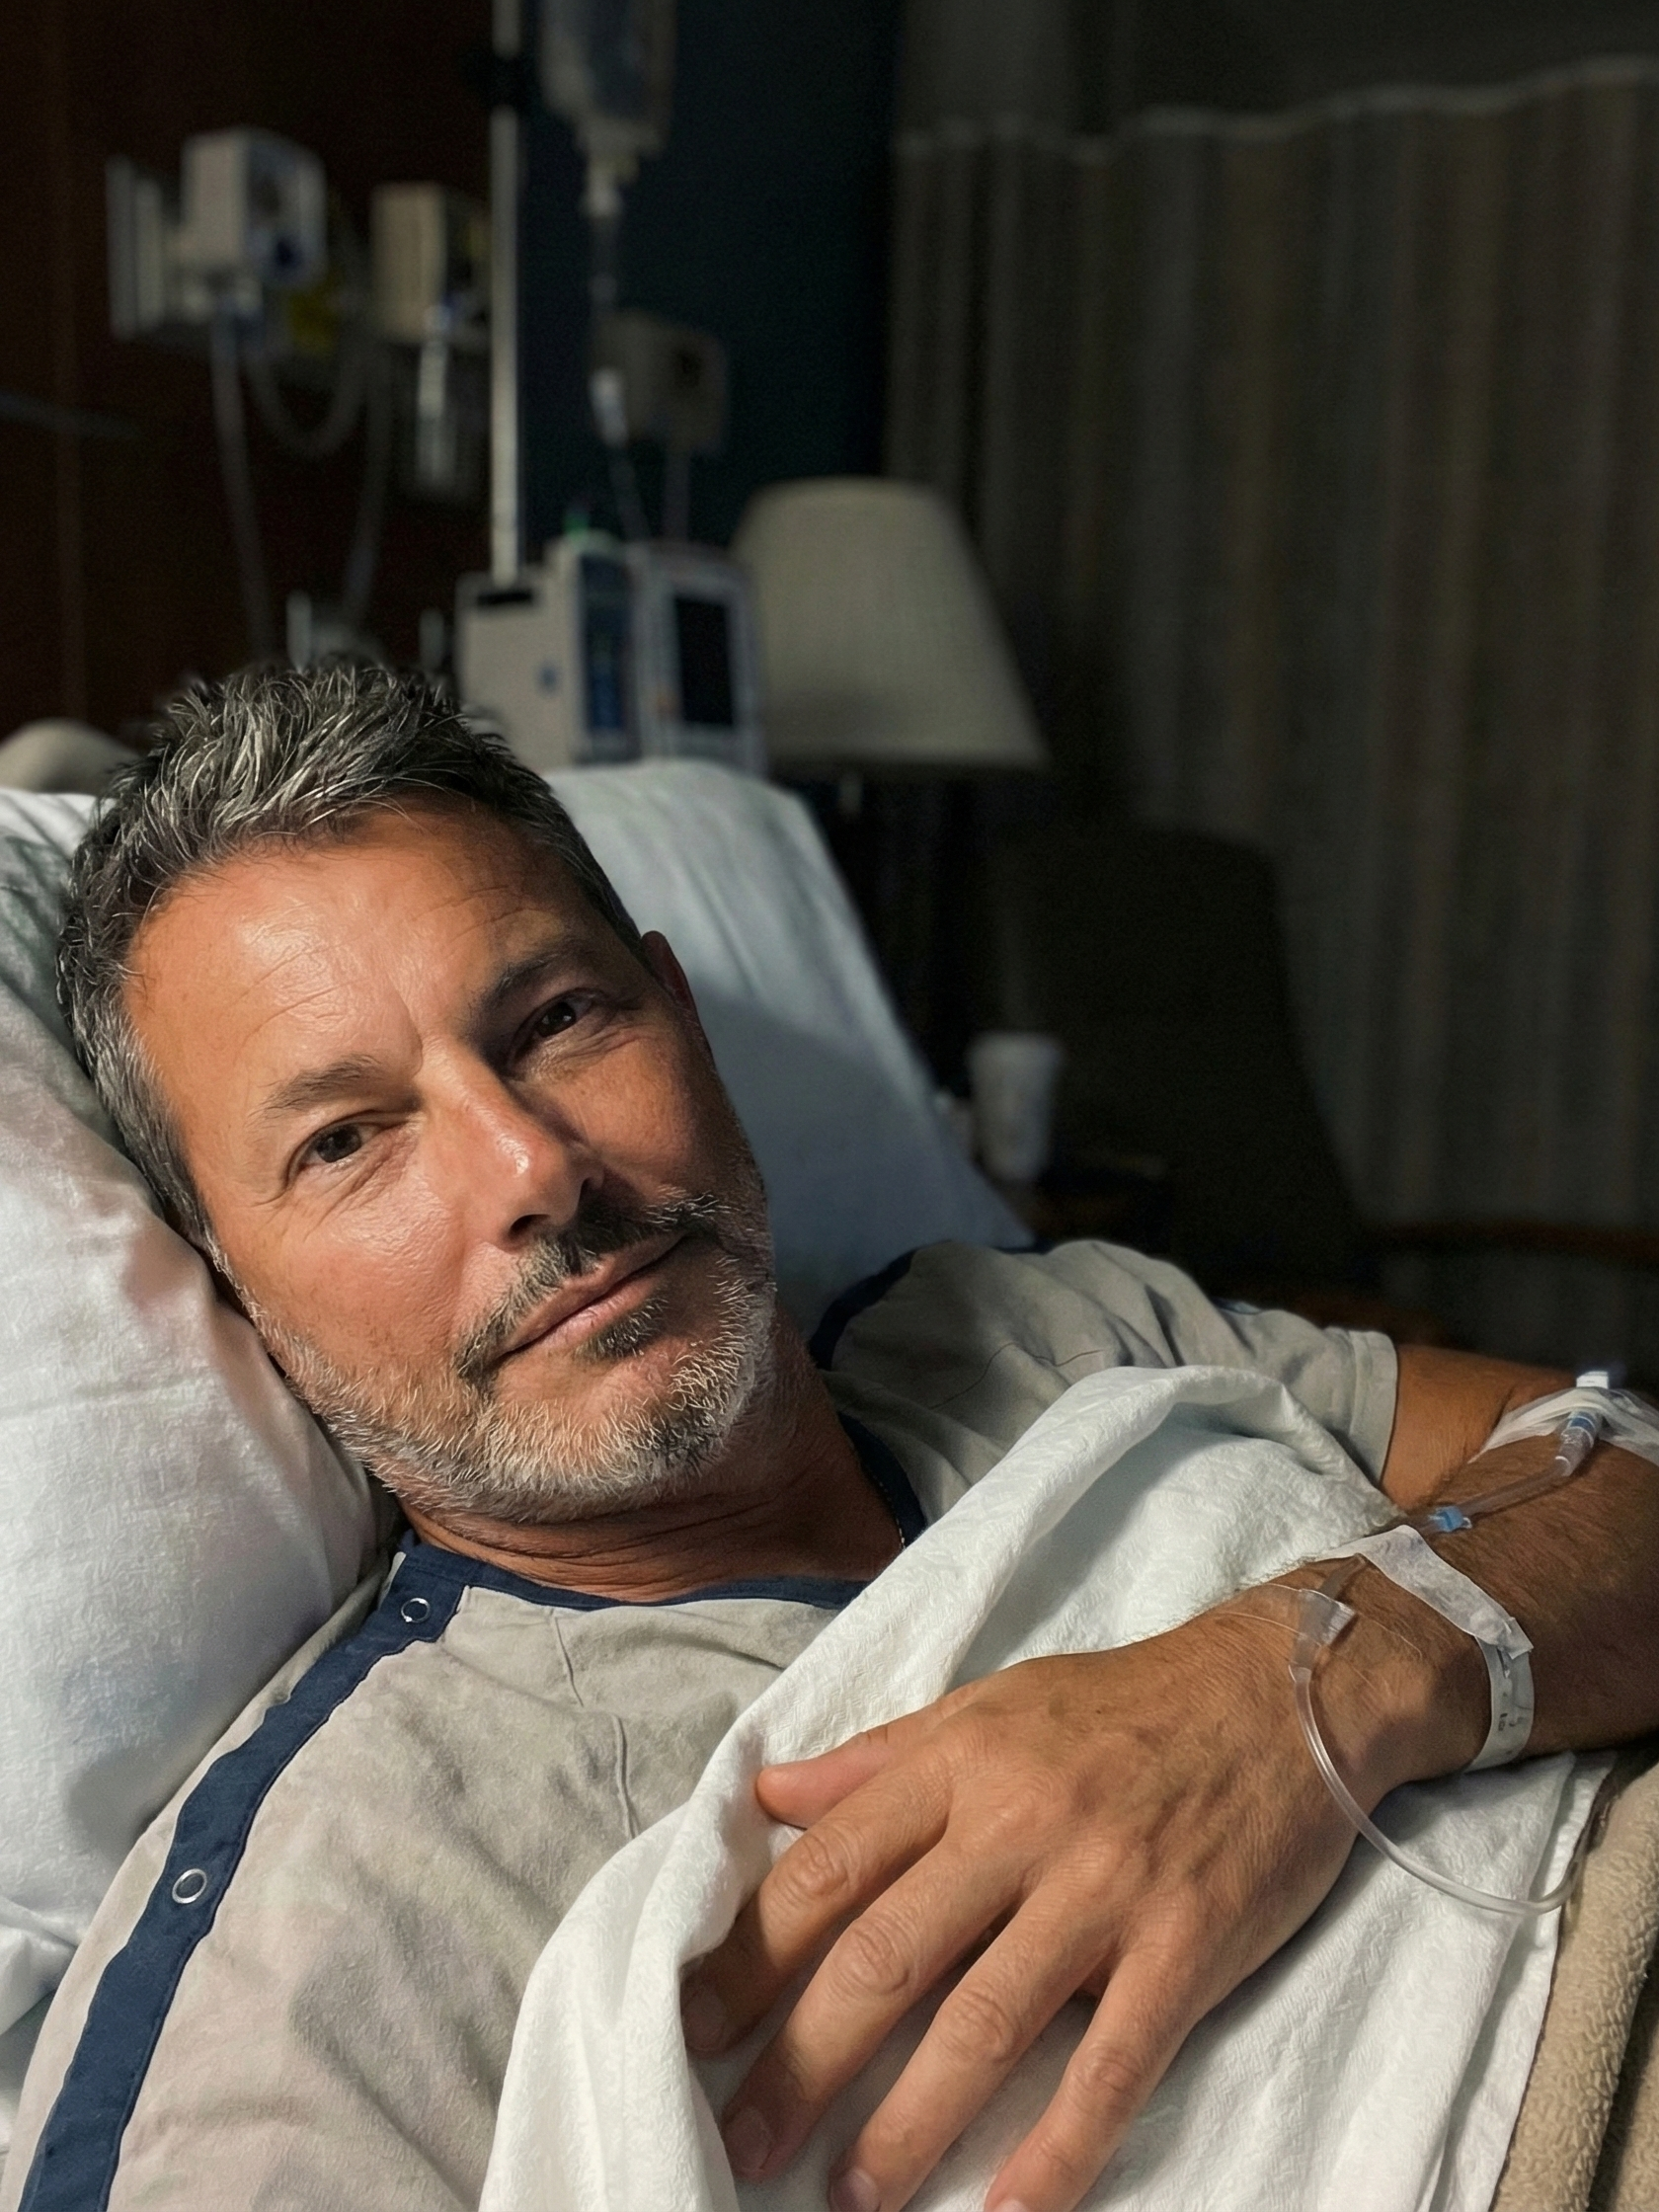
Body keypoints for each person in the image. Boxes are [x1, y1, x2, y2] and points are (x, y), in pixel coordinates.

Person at [8, 663, 1659, 2212]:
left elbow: (1619, 1463)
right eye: (349, 1140)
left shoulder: (1045, 1326)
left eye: (560, 1019)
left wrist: (1298, 1687)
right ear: (233, 1276)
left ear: (679, 1009)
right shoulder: (340, 1927)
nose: (533, 1171)